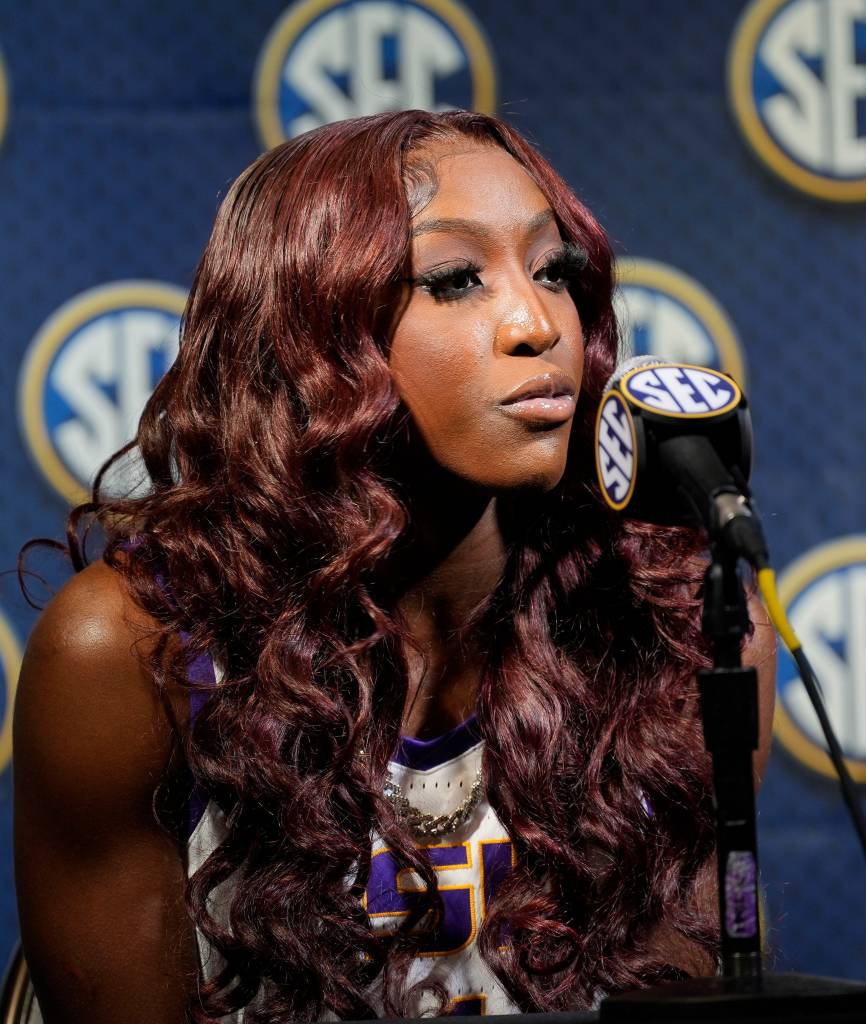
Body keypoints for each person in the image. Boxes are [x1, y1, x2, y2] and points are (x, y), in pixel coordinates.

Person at [13, 109, 776, 1024]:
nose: (537, 323)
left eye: (553, 270)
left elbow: (684, 1000)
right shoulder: (132, 653)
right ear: (304, 333)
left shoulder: (678, 626)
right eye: (455, 279)